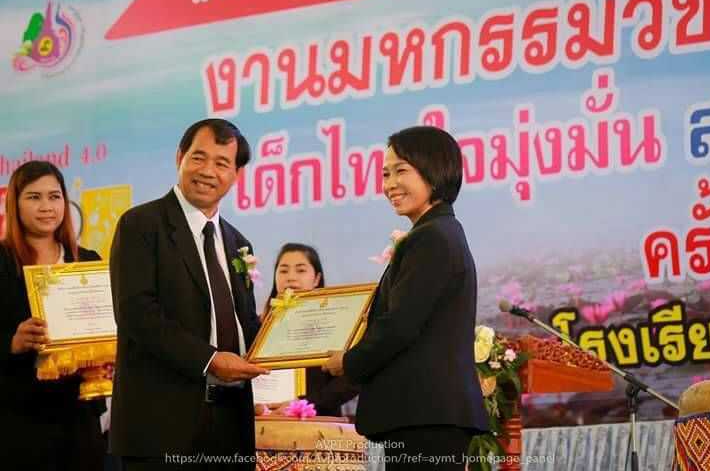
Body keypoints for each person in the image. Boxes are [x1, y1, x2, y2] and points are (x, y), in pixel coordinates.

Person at [323, 126, 489, 470]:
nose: (390, 185)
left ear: (435, 170)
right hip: (427, 413)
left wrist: (348, 363)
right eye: (385, 174)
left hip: (426, 413)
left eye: (401, 171)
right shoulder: (439, 232)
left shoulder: (431, 237)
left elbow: (400, 325)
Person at [109, 119, 269, 470]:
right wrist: (210, 360)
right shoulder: (141, 224)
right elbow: (136, 313)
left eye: (222, 163)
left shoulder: (238, 243)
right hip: (163, 426)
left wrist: (292, 334)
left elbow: (245, 323)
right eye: (199, 157)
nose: (208, 171)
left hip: (230, 424)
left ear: (237, 174)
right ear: (179, 157)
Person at [0, 160, 106, 470]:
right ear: (15, 204)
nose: (46, 206)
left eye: (54, 196)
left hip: (80, 417)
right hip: (18, 419)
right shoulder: (2, 261)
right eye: (34, 197)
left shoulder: (88, 261)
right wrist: (12, 342)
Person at [262, 243, 359, 417]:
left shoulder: (335, 323)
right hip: (267, 420)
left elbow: (353, 378)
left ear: (316, 279)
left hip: (319, 422)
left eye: (300, 270)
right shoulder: (259, 325)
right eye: (283, 271)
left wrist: (306, 403)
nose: (291, 277)